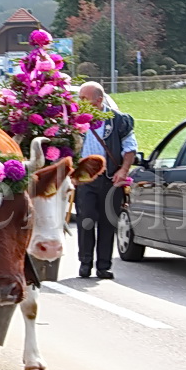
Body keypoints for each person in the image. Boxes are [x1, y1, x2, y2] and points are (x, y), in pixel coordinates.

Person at [76, 81, 137, 279]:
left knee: (107, 222)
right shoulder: (75, 121)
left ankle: (103, 266)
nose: (80, 102)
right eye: (79, 98)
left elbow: (130, 147)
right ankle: (85, 263)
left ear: (99, 100)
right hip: (84, 180)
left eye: (84, 98)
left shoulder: (118, 121)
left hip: (110, 179)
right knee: (86, 220)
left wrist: (124, 169)